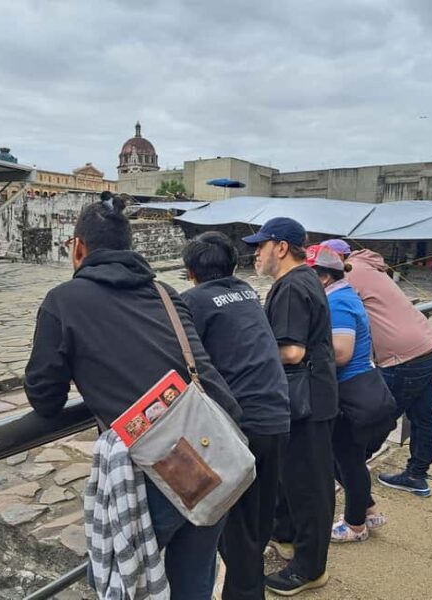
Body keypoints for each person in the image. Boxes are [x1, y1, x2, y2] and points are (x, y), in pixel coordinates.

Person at [24, 193, 242, 599]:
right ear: (129, 247)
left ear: (78, 247)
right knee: (194, 583)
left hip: (155, 468)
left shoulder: (63, 302)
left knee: (132, 583)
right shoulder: (166, 293)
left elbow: (44, 397)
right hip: (212, 453)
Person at [181, 231, 290, 600]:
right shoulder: (246, 292)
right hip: (277, 414)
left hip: (242, 425)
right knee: (256, 526)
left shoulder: (192, 301)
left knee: (235, 532)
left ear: (191, 272)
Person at [243, 218, 339, 596]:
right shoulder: (302, 280)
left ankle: (310, 568)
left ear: (281, 248)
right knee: (292, 478)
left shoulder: (291, 287)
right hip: (310, 396)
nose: (256, 254)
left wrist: (249, 355)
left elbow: (292, 351)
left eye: (261, 246)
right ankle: (285, 535)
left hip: (306, 401)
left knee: (309, 485)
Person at [333, 242, 432, 497]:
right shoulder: (368, 266)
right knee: (423, 416)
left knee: (374, 421)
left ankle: (352, 478)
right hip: (429, 347)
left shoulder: (350, 272)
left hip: (403, 358)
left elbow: (329, 303)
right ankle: (416, 474)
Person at [306, 246, 395, 543]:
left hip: (350, 395)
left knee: (348, 462)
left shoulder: (338, 302)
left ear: (323, 277)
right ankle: (368, 509)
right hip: (363, 389)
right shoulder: (344, 294)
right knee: (343, 459)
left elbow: (342, 352)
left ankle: (355, 526)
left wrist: (301, 351)